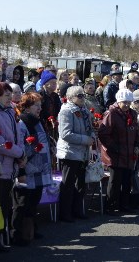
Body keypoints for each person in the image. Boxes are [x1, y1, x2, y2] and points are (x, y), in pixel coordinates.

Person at [0, 82, 25, 252]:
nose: (10, 97)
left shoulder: (9, 110)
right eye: (6, 95)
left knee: (5, 204)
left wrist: (21, 152)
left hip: (11, 164)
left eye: (10, 94)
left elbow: (18, 134)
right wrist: (19, 153)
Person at [12, 92, 53, 246]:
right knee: (22, 203)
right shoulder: (22, 123)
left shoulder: (37, 121)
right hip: (27, 170)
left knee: (33, 202)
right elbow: (20, 146)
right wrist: (21, 171)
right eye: (37, 105)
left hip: (39, 168)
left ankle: (31, 230)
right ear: (27, 107)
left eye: (40, 105)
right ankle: (16, 234)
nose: (40, 108)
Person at [56, 86, 95, 222]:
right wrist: (85, 140)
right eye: (79, 95)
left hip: (83, 152)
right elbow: (65, 134)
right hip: (70, 152)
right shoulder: (66, 111)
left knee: (81, 183)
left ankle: (77, 210)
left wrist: (93, 137)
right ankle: (65, 213)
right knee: (68, 184)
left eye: (83, 95)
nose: (83, 97)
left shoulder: (84, 110)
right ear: (71, 98)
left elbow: (90, 128)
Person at [99, 89, 139, 214]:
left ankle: (124, 204)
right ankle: (110, 205)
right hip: (115, 154)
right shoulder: (111, 113)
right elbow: (103, 134)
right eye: (124, 102)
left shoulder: (132, 114)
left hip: (128, 152)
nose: (126, 105)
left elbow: (136, 131)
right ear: (118, 101)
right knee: (115, 181)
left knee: (127, 181)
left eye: (128, 102)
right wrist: (114, 148)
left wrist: (136, 145)